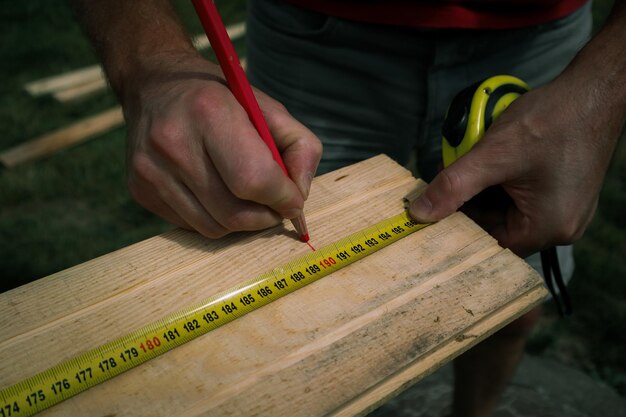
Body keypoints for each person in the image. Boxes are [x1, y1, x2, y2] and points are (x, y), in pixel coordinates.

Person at [71, 0, 626, 416]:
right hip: (312, 29)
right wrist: (151, 67)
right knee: (299, 325)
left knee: (509, 292)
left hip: (542, 33)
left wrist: (604, 87)